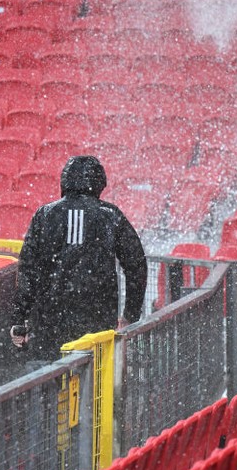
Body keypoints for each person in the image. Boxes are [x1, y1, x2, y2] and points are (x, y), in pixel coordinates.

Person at [10, 155, 148, 362]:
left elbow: (28, 271)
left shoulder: (45, 214)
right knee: (96, 376)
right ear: (99, 183)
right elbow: (136, 266)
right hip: (98, 314)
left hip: (51, 317)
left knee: (52, 376)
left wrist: (20, 319)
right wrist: (130, 315)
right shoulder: (111, 215)